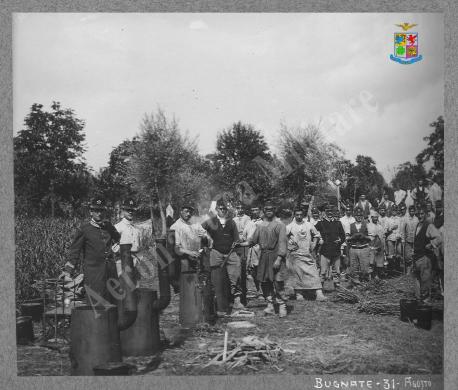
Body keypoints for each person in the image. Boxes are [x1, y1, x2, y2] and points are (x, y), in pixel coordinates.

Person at [63, 197, 121, 304]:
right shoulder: (85, 229)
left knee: (113, 302)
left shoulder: (108, 226)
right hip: (94, 274)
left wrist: (117, 247)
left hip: (110, 271)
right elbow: (75, 251)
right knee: (96, 303)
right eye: (96, 211)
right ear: (91, 212)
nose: (99, 213)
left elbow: (118, 238)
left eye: (101, 211)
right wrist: (68, 270)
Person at [247, 201, 288, 317]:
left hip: (275, 256)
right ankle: (270, 305)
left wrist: (279, 259)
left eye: (271, 209)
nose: (269, 211)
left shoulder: (280, 225)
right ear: (263, 211)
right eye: (266, 209)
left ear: (274, 210)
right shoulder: (260, 226)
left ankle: (282, 305)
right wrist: (240, 244)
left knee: (278, 282)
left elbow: (282, 243)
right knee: (265, 282)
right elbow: (252, 241)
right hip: (264, 257)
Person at [202, 199, 243, 313]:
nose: (223, 210)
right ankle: (216, 302)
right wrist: (205, 241)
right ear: (216, 210)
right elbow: (199, 230)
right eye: (220, 208)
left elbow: (236, 238)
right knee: (215, 277)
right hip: (216, 252)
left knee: (235, 274)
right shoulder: (211, 221)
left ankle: (236, 300)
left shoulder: (231, 222)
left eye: (224, 208)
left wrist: (237, 243)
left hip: (230, 251)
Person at [285, 208, 327, 301]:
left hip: (307, 253)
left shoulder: (309, 225)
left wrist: (314, 243)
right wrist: (289, 245)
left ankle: (319, 294)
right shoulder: (290, 226)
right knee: (298, 274)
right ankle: (299, 294)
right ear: (294, 215)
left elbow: (316, 235)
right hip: (295, 254)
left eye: (301, 214)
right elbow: (284, 237)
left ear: (303, 215)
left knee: (313, 273)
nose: (299, 216)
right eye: (297, 215)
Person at [412, 206, 442, 303]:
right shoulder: (417, 225)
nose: (420, 216)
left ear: (425, 214)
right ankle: (418, 301)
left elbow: (439, 238)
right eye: (418, 214)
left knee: (425, 281)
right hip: (416, 256)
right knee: (416, 279)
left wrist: (431, 244)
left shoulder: (429, 225)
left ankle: (425, 303)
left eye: (422, 214)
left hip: (425, 257)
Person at [315, 205, 346, 288]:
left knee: (337, 271)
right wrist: (319, 240)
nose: (329, 213)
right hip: (325, 250)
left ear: (334, 212)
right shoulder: (320, 223)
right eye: (328, 211)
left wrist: (340, 240)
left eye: (331, 211)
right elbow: (313, 233)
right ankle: (320, 288)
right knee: (323, 271)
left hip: (336, 250)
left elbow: (343, 236)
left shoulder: (338, 223)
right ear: (325, 212)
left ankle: (337, 286)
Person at [114, 199, 141, 278]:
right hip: (122, 262)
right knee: (124, 287)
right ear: (123, 211)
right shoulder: (117, 227)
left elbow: (139, 247)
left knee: (135, 288)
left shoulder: (136, 229)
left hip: (135, 262)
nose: (130, 212)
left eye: (132, 210)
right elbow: (114, 248)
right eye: (128, 210)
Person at [243, 202, 263, 295]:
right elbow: (244, 236)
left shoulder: (263, 222)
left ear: (260, 210)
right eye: (253, 210)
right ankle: (258, 290)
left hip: (261, 248)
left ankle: (264, 292)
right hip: (251, 249)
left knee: (261, 270)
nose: (254, 212)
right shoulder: (249, 223)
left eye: (256, 210)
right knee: (252, 271)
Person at [348, 208, 372, 284]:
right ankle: (355, 282)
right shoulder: (351, 225)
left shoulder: (366, 224)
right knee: (353, 266)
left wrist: (364, 236)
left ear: (362, 216)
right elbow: (347, 238)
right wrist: (353, 237)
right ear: (354, 216)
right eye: (357, 215)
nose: (359, 217)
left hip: (363, 248)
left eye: (360, 215)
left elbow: (371, 237)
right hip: (354, 248)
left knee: (364, 266)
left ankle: (364, 281)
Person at [399, 205, 419, 273]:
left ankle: (414, 271)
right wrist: (403, 239)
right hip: (408, 241)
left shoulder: (417, 219)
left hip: (415, 241)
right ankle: (408, 272)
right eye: (410, 211)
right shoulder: (406, 219)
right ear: (409, 211)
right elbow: (403, 230)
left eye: (413, 211)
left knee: (415, 255)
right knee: (407, 257)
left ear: (415, 211)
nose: (412, 212)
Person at [367, 210, 385, 279]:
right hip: (371, 246)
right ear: (371, 218)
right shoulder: (368, 226)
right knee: (371, 262)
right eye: (374, 217)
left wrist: (383, 246)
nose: (375, 219)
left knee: (378, 262)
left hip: (379, 246)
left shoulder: (380, 226)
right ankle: (370, 276)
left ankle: (377, 275)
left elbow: (382, 237)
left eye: (377, 217)